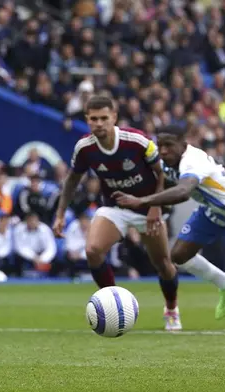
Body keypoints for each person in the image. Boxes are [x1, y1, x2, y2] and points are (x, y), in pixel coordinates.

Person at [113, 125, 225, 332]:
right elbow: (164, 180)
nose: (163, 151)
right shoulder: (170, 161)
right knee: (179, 255)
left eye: (169, 145)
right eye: (160, 145)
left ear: (183, 144)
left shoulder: (193, 160)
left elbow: (183, 191)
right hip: (212, 211)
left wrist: (142, 201)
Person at [52, 95, 182, 331]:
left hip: (147, 207)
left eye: (104, 118)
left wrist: (155, 206)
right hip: (115, 207)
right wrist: (60, 213)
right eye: (94, 119)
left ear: (114, 117)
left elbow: (161, 172)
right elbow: (72, 180)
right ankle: (112, 304)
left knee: (163, 264)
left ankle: (171, 309)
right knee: (92, 250)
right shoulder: (84, 147)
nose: (99, 123)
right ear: (87, 120)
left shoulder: (137, 140)